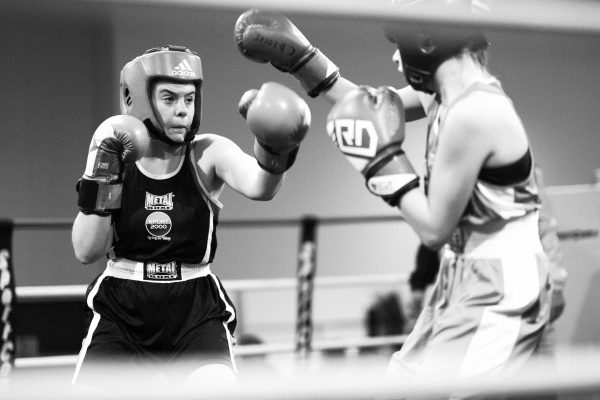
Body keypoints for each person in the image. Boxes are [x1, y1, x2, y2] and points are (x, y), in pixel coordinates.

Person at [234, 1, 553, 390]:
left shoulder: (475, 113)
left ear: (425, 41)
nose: (395, 57)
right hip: (462, 270)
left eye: (399, 44)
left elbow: (434, 229)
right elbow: (369, 105)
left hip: (499, 279)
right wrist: (303, 60)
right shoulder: (442, 94)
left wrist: (379, 163)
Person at [70, 45, 310, 391]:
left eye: (189, 99)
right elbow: (85, 251)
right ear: (136, 99)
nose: (182, 110)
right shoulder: (116, 157)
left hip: (194, 308)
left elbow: (261, 186)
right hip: (123, 307)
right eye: (169, 99)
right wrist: (103, 174)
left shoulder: (208, 152)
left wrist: (276, 149)